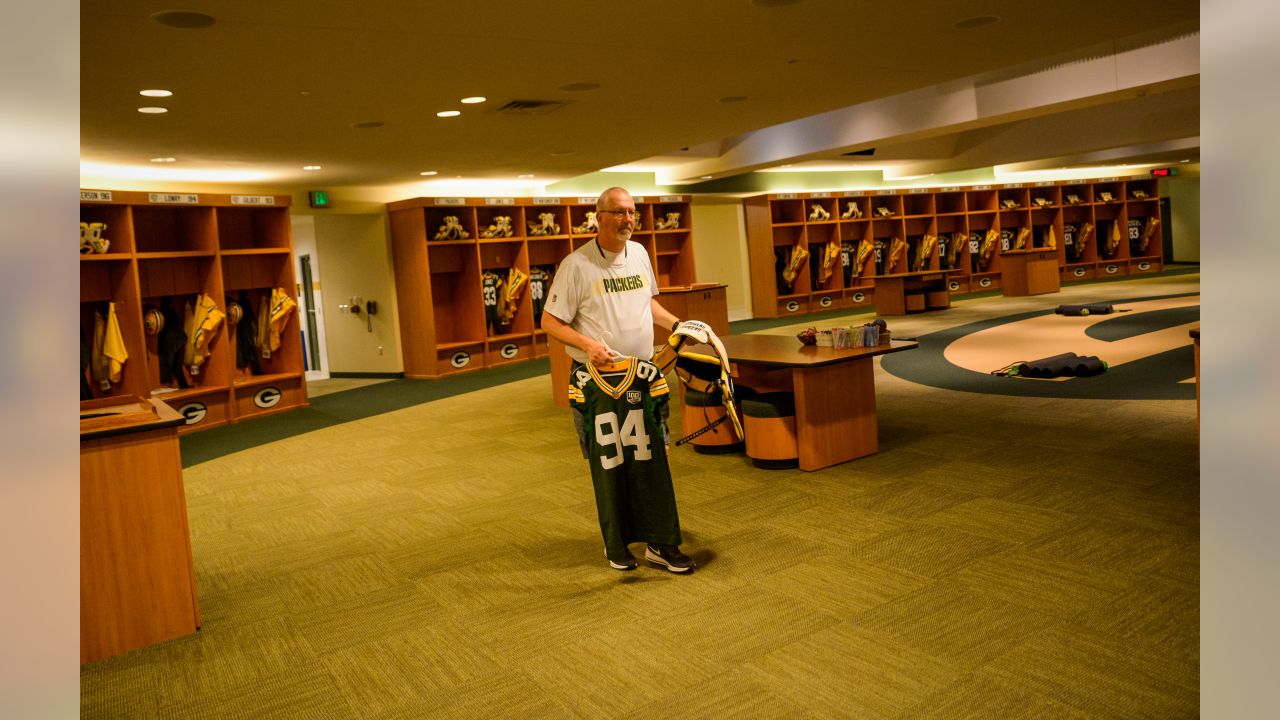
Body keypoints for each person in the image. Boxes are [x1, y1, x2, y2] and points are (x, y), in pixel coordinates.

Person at [541, 187, 695, 574]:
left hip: (642, 376)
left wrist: (676, 324)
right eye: (620, 213)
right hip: (597, 383)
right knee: (610, 462)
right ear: (599, 217)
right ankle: (617, 544)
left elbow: (648, 303)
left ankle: (660, 543)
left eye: (632, 213)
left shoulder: (640, 254)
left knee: (652, 458)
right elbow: (550, 321)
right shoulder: (576, 265)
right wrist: (587, 345)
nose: (628, 220)